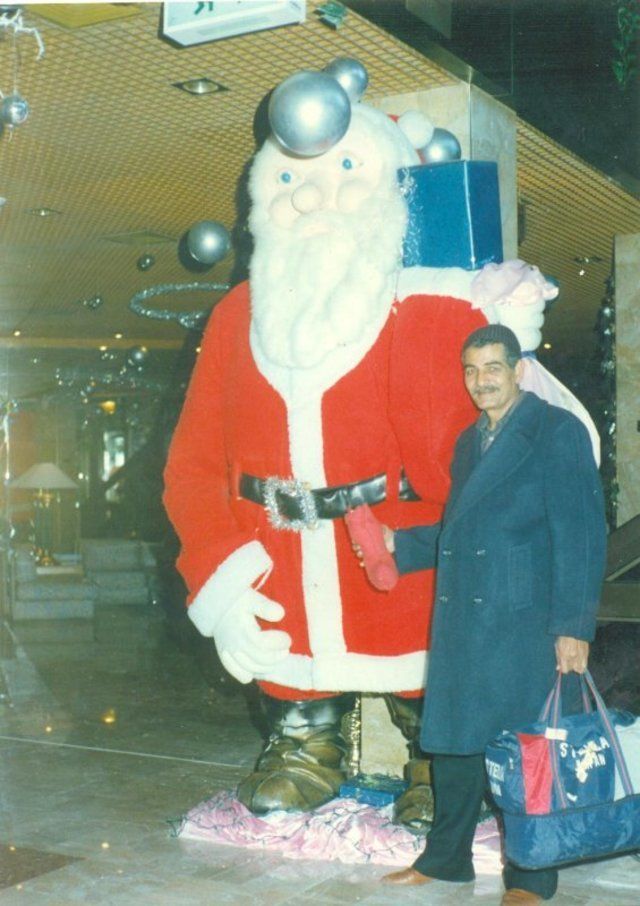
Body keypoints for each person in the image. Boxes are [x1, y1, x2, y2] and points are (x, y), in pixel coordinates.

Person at [379, 324, 607, 904]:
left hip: (525, 619)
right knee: (455, 743)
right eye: (472, 370)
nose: (481, 381)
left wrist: (573, 627)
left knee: (529, 748)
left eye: (493, 368)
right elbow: (460, 528)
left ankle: (531, 876)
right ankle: (446, 860)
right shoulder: (469, 441)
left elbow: (582, 535)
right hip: (465, 616)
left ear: (518, 370)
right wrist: (397, 546)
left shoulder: (557, 431)